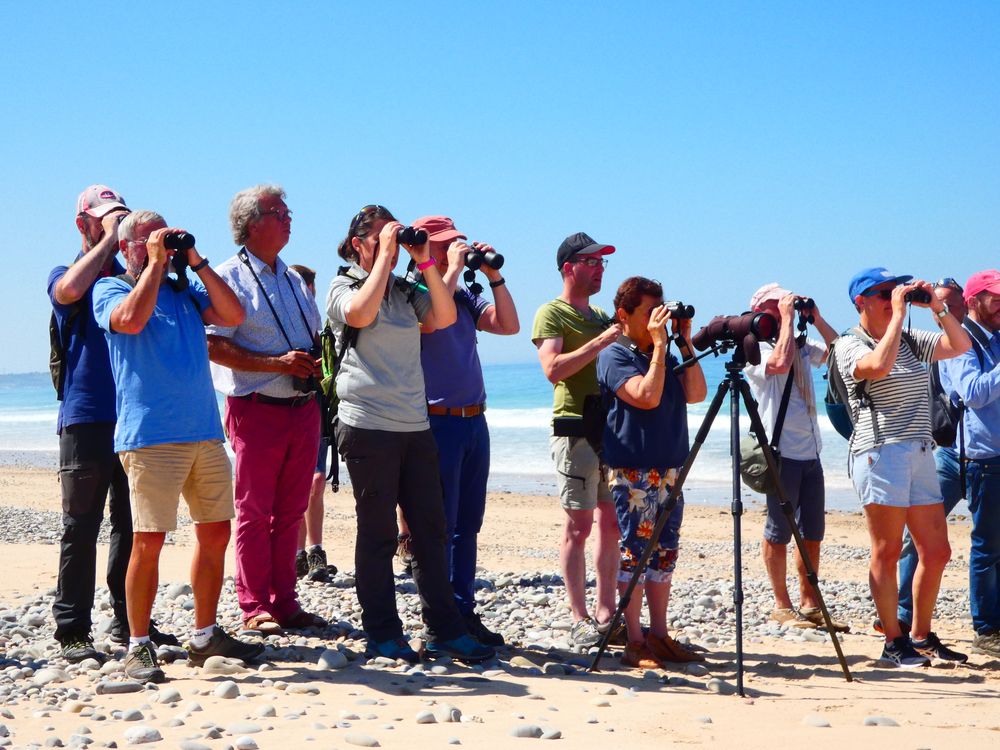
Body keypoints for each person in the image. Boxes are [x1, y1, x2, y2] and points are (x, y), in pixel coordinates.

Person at [92, 210, 263, 682]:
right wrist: (151, 265)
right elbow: (128, 322)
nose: (162, 249)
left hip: (203, 432)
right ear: (128, 248)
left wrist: (196, 260)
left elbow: (233, 315)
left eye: (164, 241)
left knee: (215, 533)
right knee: (148, 541)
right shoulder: (111, 288)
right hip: (150, 436)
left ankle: (205, 636)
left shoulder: (185, 288)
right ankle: (139, 644)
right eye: (150, 242)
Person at [327, 204, 494, 664]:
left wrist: (424, 260)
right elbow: (359, 315)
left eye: (391, 238)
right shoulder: (342, 286)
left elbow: (442, 316)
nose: (389, 246)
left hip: (415, 425)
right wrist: (383, 256)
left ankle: (444, 629)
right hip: (367, 425)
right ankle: (382, 631)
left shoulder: (405, 291)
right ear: (359, 244)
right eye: (378, 238)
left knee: (430, 531)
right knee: (378, 533)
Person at [47, 185, 179, 661]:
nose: (115, 225)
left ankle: (130, 623)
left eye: (119, 220)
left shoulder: (131, 282)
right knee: (80, 525)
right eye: (104, 219)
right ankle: (72, 630)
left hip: (135, 417)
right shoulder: (68, 272)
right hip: (86, 416)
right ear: (82, 224)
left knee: (132, 523)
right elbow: (68, 292)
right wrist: (106, 239)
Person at [207, 186, 326, 634]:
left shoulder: (294, 280)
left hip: (302, 405)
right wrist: (275, 364)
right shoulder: (228, 277)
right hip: (256, 407)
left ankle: (286, 601)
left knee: (292, 510)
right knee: (255, 511)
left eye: (288, 211)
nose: (290, 219)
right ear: (253, 224)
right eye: (281, 213)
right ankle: (254, 604)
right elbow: (214, 346)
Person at [837, 267, 971, 667]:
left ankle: (921, 634)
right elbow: (876, 367)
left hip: (918, 450)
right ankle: (892, 640)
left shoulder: (911, 340)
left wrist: (937, 308)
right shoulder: (848, 345)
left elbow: (959, 345)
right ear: (861, 301)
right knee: (888, 549)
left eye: (896, 290)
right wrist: (897, 315)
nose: (892, 296)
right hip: (879, 452)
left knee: (937, 550)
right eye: (883, 293)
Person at [408, 215, 520, 647]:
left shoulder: (466, 295)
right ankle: (440, 619)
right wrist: (448, 269)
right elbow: (434, 314)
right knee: (438, 525)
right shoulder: (412, 294)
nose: (455, 248)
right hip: (438, 421)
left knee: (467, 524)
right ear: (426, 249)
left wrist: (495, 277)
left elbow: (508, 325)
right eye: (445, 244)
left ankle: (463, 610)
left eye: (456, 243)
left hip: (474, 419)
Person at [597, 277, 707, 667]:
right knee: (635, 554)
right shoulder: (615, 356)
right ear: (624, 315)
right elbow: (645, 397)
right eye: (650, 312)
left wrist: (681, 341)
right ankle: (635, 640)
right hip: (633, 470)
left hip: (669, 467)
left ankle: (659, 636)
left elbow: (696, 393)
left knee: (664, 554)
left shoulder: (664, 355)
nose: (657, 318)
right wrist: (660, 347)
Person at [532, 232, 622, 647]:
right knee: (579, 525)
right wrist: (604, 340)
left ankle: (607, 612)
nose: (600, 268)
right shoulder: (553, 313)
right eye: (592, 262)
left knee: (612, 525)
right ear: (569, 268)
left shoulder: (603, 315)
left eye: (602, 262)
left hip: (609, 428)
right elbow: (552, 369)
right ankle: (578, 615)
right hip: (573, 427)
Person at [744, 283, 846, 631]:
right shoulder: (753, 348)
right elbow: (778, 362)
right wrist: (786, 318)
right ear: (762, 309)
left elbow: (840, 353)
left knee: (813, 531)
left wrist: (815, 318)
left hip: (811, 452)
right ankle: (781, 604)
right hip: (780, 452)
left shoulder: (802, 345)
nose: (786, 306)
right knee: (778, 530)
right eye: (779, 303)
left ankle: (809, 602)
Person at [894, 277, 969, 633]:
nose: (943, 312)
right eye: (938, 305)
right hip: (948, 452)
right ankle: (902, 614)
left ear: (966, 306)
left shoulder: (973, 342)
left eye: (951, 306)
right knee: (918, 540)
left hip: (982, 454)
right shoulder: (929, 343)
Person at [936, 270, 1000, 658]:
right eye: (995, 298)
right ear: (974, 301)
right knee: (986, 547)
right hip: (975, 457)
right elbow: (974, 393)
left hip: (991, 455)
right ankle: (986, 628)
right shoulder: (961, 342)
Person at [288, 264, 337, 584]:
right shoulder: (284, 327)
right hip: (283, 412)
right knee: (296, 486)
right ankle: (296, 554)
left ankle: (314, 550)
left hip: (317, 412)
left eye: (311, 292)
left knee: (316, 480)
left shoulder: (321, 331)